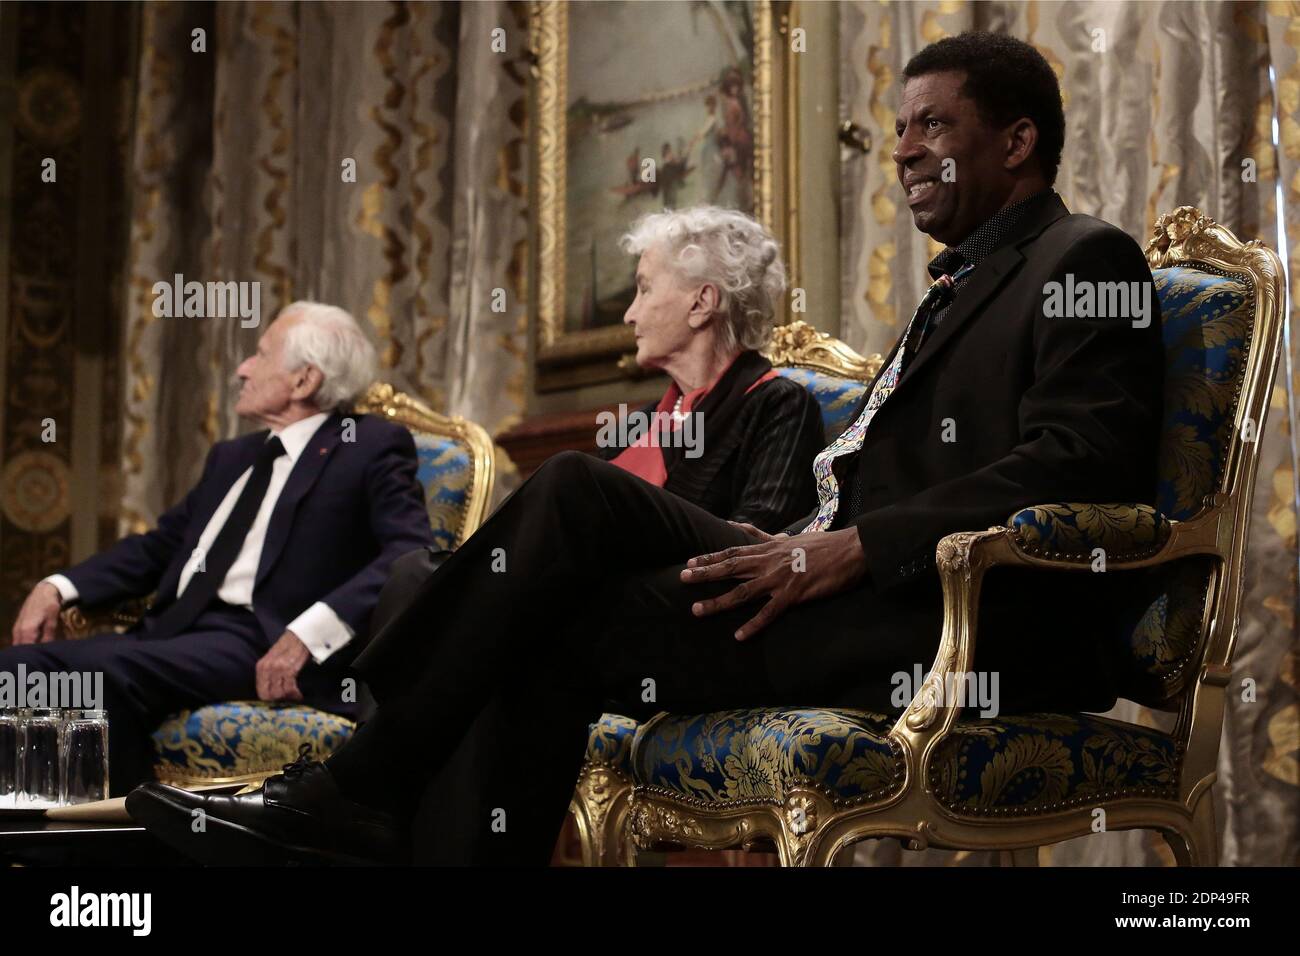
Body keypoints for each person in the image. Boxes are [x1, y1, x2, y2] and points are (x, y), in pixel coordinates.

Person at [127, 31, 1166, 866]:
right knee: (543, 600)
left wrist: (846, 547)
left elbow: (1079, 461)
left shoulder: (1085, 257)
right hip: (838, 578)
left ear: (1018, 140)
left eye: (931, 126)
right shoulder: (957, 285)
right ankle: (365, 805)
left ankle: (355, 787)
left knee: (576, 495)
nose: (901, 151)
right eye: (898, 127)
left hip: (950, 614)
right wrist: (817, 543)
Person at [367, 205, 825, 863]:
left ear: (702, 302)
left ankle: (378, 798)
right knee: (415, 573)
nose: (630, 313)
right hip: (593, 622)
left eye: (643, 288)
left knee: (511, 644)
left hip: (687, 632)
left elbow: (758, 554)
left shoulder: (778, 403)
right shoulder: (644, 420)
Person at [3, 302, 433, 794]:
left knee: (55, 673)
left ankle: (118, 836)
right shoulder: (233, 457)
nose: (242, 368)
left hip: (256, 641)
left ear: (304, 381)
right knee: (19, 671)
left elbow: (410, 553)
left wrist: (308, 634)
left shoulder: (370, 446)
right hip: (175, 632)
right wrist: (56, 586)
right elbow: (160, 547)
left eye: (260, 354)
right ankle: (47, 834)